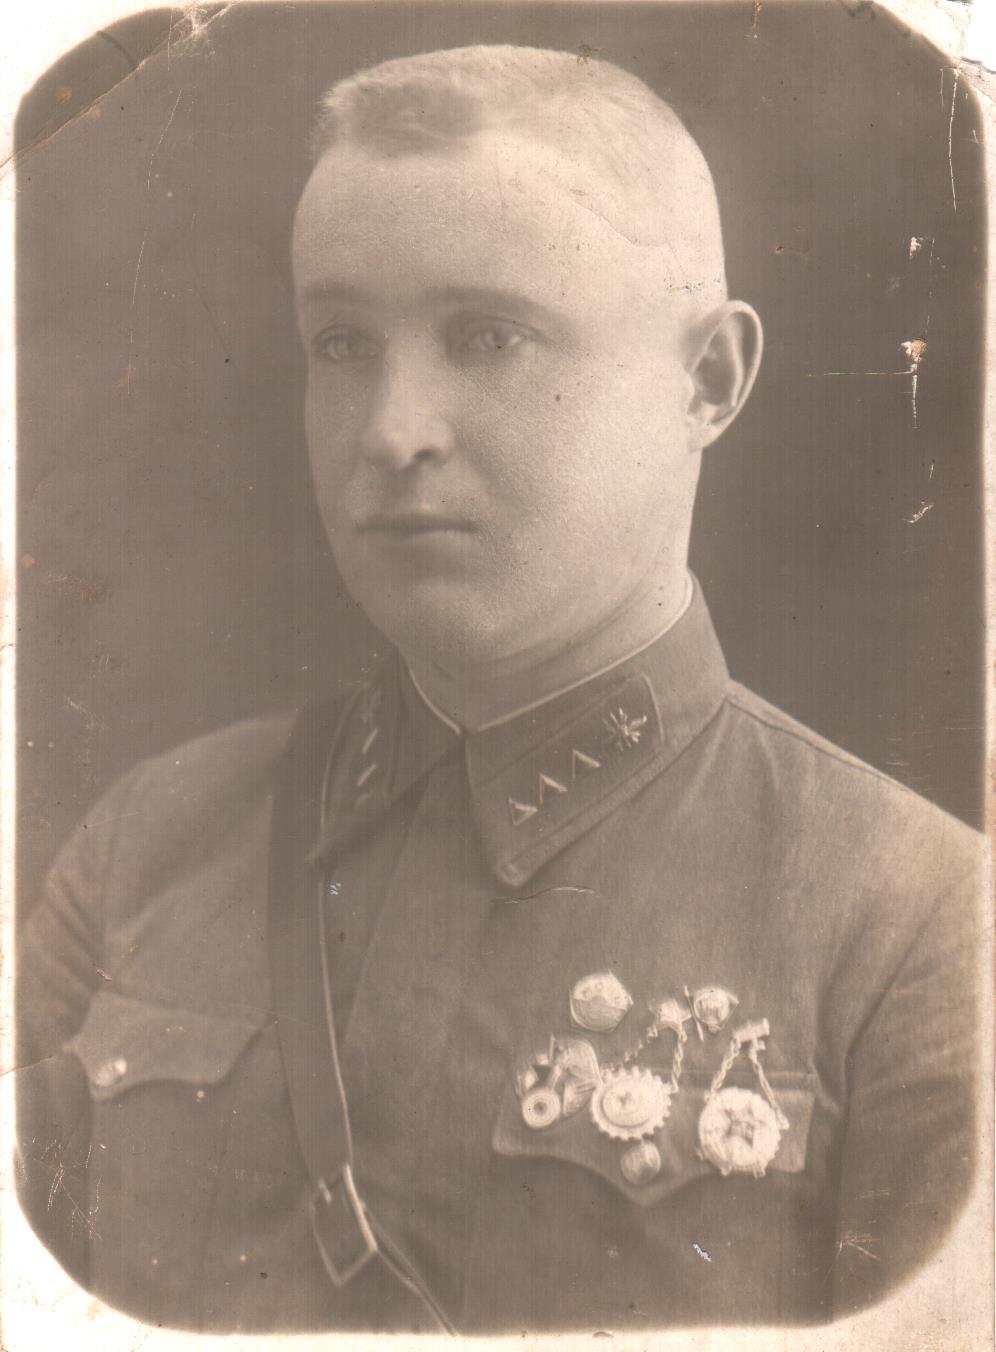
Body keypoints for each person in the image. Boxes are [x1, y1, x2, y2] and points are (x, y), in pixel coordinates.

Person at [16, 45, 983, 1335]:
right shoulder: (146, 846)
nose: (391, 430)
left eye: (489, 337)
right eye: (342, 342)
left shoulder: (925, 931)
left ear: (707, 380)